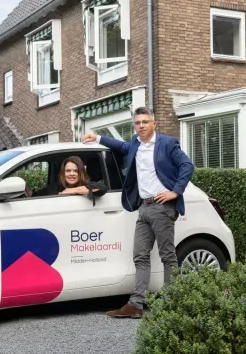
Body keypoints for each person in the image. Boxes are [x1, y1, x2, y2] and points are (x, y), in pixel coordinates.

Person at [81, 106, 194, 318]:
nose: (141, 126)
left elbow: (187, 165)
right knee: (140, 255)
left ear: (154, 124)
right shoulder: (135, 143)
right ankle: (136, 304)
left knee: (167, 256)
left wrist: (175, 192)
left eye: (144, 122)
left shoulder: (167, 143)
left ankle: (173, 303)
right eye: (137, 123)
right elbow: (121, 146)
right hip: (144, 207)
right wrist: (97, 137)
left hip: (162, 207)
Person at [27, 156, 107, 205]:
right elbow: (34, 197)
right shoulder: (54, 187)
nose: (71, 174)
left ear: (81, 173)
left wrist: (73, 190)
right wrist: (24, 186)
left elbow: (102, 188)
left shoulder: (86, 185)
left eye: (76, 171)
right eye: (68, 171)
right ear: (63, 173)